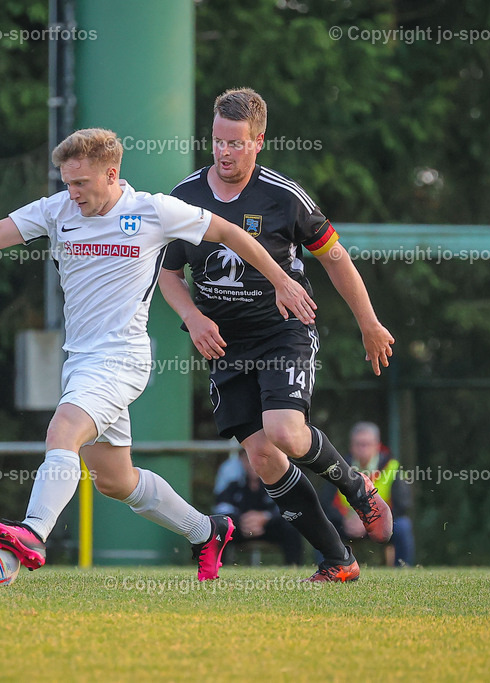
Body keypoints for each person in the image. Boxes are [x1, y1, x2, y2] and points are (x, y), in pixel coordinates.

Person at [0, 127, 317, 581]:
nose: (72, 194)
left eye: (81, 184)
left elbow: (230, 233)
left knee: (63, 430)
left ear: (111, 174)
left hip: (122, 359)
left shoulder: (152, 211)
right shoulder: (58, 210)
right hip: (81, 362)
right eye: (67, 183)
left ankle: (33, 533)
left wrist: (281, 280)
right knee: (115, 479)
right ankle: (206, 531)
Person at [159, 87, 395, 582]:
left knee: (286, 431)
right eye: (218, 141)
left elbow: (335, 258)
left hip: (283, 330)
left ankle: (358, 488)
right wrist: (194, 319)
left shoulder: (284, 196)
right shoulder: (184, 198)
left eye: (236, 143)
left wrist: (369, 323)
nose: (224, 152)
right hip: (225, 342)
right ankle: (339, 560)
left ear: (258, 141)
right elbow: (167, 273)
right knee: (263, 457)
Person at [325, 422, 414, 567]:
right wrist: (344, 520)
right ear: (351, 446)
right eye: (358, 444)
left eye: (367, 444)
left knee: (403, 526)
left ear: (377, 446)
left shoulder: (392, 467)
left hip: (382, 523)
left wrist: (370, 520)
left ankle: (403, 569)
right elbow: (326, 503)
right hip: (347, 525)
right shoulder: (337, 468)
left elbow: (402, 504)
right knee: (326, 525)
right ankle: (329, 569)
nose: (362, 449)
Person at [214, 450, 304, 566]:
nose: (252, 464)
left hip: (268, 528)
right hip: (241, 528)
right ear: (241, 462)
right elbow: (221, 508)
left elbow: (288, 507)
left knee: (291, 527)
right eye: (248, 460)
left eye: (257, 459)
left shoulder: (275, 484)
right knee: (220, 528)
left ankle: (294, 567)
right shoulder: (233, 485)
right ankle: (216, 569)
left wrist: (265, 517)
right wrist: (241, 520)